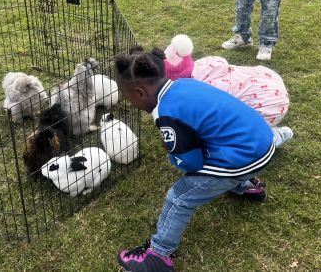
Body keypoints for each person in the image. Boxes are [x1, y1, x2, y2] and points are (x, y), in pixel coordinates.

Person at [116, 47, 277, 272]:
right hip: (264, 143)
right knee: (216, 144)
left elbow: (192, 163)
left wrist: (175, 156)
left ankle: (159, 255)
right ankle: (246, 185)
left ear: (140, 93)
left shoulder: (166, 112)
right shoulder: (183, 83)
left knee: (180, 196)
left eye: (128, 96)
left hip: (245, 158)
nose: (129, 101)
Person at [164, 34, 294, 146]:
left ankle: (270, 138)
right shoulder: (202, 65)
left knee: (226, 136)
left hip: (268, 103)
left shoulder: (201, 91)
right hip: (267, 82)